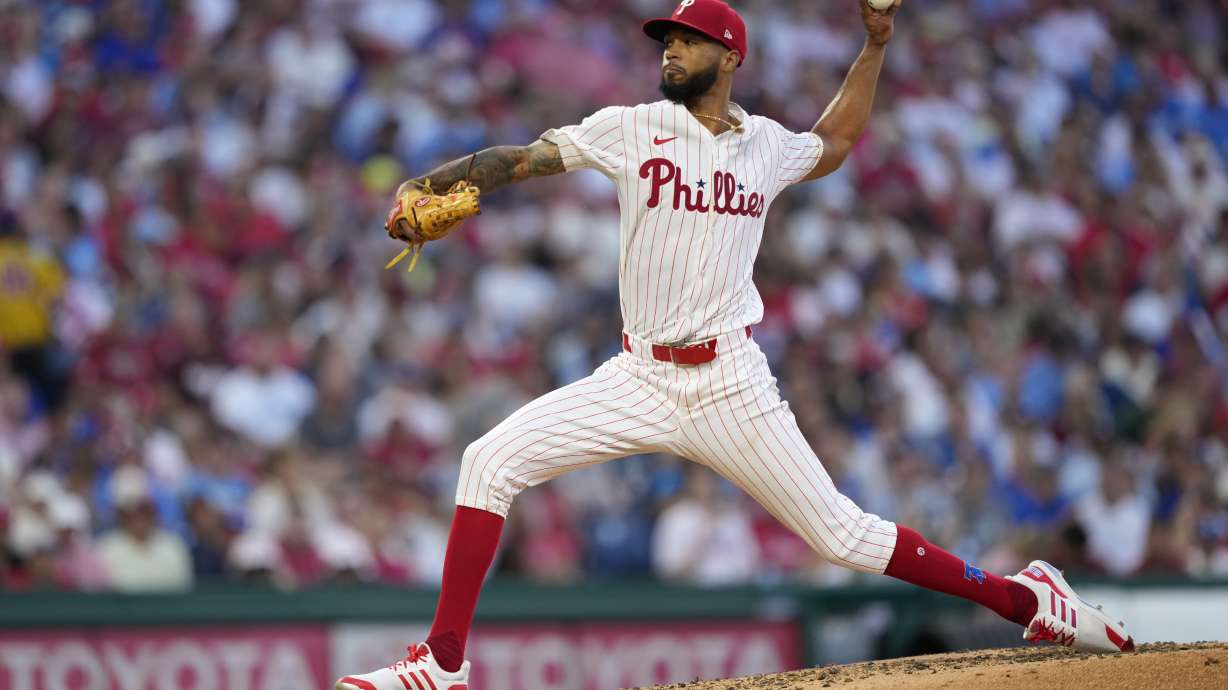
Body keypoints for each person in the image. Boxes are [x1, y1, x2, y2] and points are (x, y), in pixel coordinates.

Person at [337, 3, 1134, 688]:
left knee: (843, 537)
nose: (670, 50)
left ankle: (1027, 600)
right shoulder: (632, 127)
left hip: (729, 384)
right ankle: (442, 665)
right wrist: (433, 185)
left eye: (686, 39)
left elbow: (837, 142)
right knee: (487, 460)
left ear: (729, 55)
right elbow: (521, 159)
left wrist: (877, 45)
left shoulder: (765, 147)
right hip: (638, 375)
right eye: (666, 40)